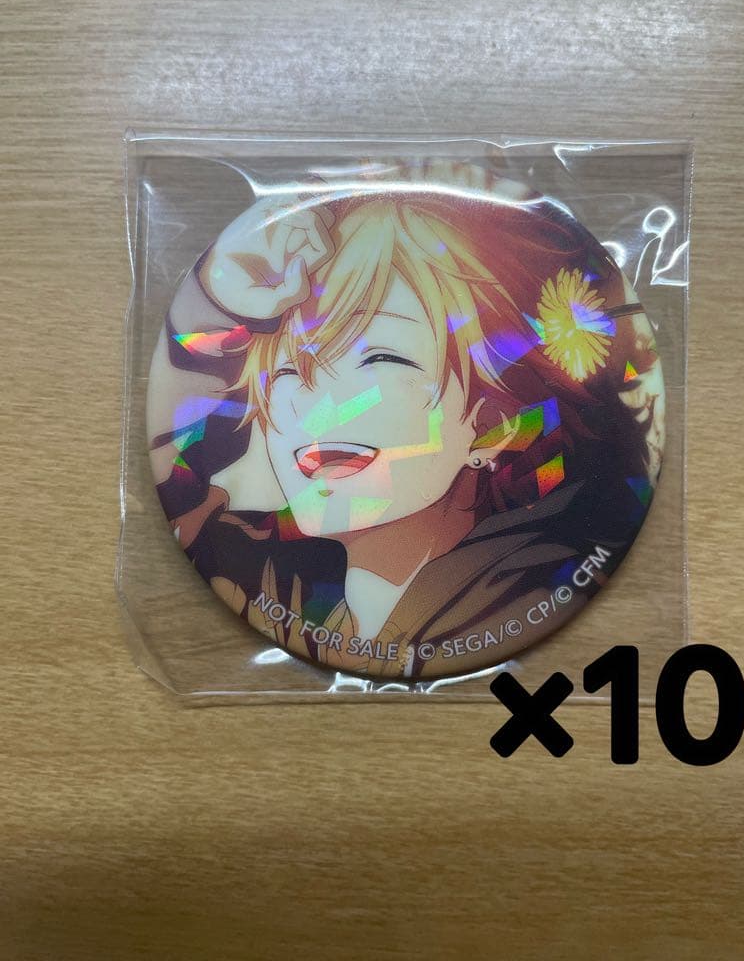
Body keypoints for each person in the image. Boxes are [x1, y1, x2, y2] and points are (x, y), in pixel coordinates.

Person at [147, 163, 664, 679]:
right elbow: (185, 479)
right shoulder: (283, 585)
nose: (313, 402)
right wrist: (221, 298)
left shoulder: (520, 589)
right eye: (287, 369)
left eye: (381, 359)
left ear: (494, 424)